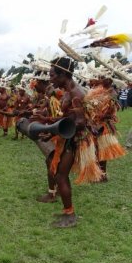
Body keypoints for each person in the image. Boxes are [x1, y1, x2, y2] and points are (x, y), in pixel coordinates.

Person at [31, 57, 102, 227]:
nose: (51, 79)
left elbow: (80, 122)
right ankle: (68, 212)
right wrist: (47, 119)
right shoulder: (69, 92)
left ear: (63, 74)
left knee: (61, 175)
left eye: (53, 75)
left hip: (75, 140)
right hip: (69, 137)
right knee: (59, 173)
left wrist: (53, 129)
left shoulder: (76, 94)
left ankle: (70, 216)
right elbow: (67, 118)